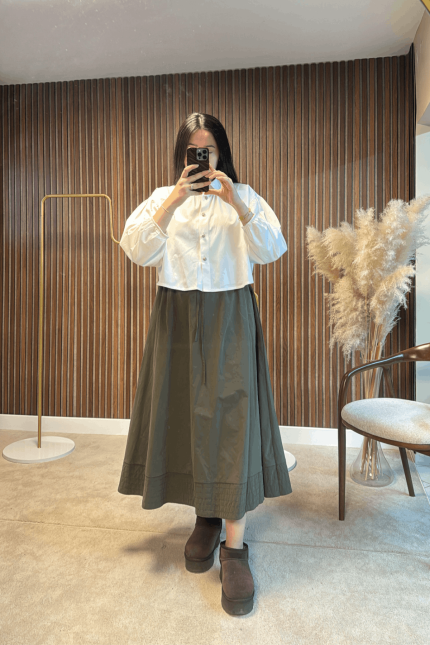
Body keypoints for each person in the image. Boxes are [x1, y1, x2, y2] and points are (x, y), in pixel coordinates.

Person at [117, 112, 293, 616]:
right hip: (175, 315)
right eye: (194, 150)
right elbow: (136, 249)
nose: (202, 157)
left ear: (221, 152)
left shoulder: (245, 196)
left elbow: (272, 249)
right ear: (182, 155)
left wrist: (235, 202)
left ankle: (234, 547)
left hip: (230, 313)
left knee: (232, 420)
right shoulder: (161, 197)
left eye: (209, 149)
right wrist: (174, 198)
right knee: (187, 419)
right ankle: (206, 516)